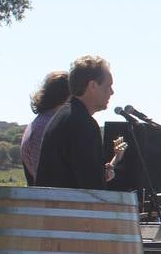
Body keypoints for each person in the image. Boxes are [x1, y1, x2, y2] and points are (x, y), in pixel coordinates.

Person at [35, 55, 118, 189]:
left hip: (52, 207)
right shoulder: (84, 124)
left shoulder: (63, 116)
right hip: (70, 208)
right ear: (92, 86)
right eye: (108, 86)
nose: (112, 92)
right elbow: (93, 189)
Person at [20, 71, 69, 184]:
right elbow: (50, 177)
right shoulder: (49, 126)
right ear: (67, 96)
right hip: (52, 199)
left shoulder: (38, 122)